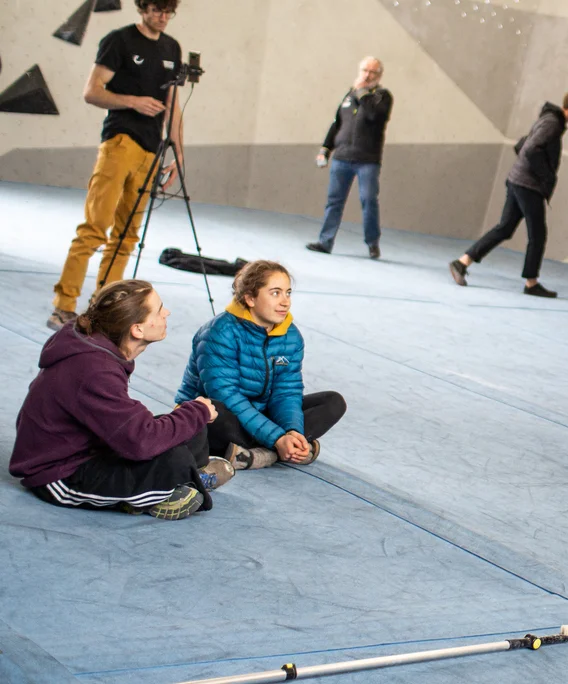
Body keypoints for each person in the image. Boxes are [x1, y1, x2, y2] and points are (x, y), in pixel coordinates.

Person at [12, 280, 229, 521]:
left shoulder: (97, 347)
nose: (166, 313)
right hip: (59, 474)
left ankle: (184, 477)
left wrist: (194, 414)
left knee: (192, 427)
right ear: (137, 329)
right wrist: (195, 412)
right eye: (159, 309)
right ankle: (158, 491)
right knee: (175, 455)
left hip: (92, 447)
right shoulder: (95, 369)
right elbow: (140, 441)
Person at [47, 0, 185, 331]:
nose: (162, 17)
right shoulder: (119, 40)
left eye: (169, 12)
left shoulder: (172, 47)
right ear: (142, 8)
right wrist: (133, 102)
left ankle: (103, 308)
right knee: (95, 228)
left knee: (127, 235)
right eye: (156, 10)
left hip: (152, 151)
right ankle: (64, 305)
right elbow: (92, 92)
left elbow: (173, 104)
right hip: (120, 143)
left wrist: (179, 154)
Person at [176, 261, 347, 470]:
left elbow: (286, 392)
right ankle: (279, 451)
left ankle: (259, 453)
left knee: (333, 402)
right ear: (250, 298)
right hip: (222, 415)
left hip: (260, 413)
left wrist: (292, 431)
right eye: (275, 293)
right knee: (212, 410)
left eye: (288, 293)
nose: (285, 302)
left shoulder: (291, 336)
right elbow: (226, 396)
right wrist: (276, 438)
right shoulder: (219, 332)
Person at [449, 92, 568, 297]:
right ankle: (531, 283)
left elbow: (523, 145)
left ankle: (462, 262)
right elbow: (531, 150)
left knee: (505, 228)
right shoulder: (553, 123)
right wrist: (545, 178)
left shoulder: (549, 119)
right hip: (528, 185)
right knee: (537, 235)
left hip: (518, 180)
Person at [306, 57, 394, 259]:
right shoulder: (348, 96)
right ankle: (325, 241)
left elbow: (373, 115)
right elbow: (337, 123)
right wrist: (325, 149)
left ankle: (372, 242)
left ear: (379, 75)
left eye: (372, 72)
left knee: (368, 200)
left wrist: (362, 92)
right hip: (342, 158)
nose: (367, 75)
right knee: (334, 201)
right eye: (364, 70)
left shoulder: (382, 96)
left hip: (367, 160)